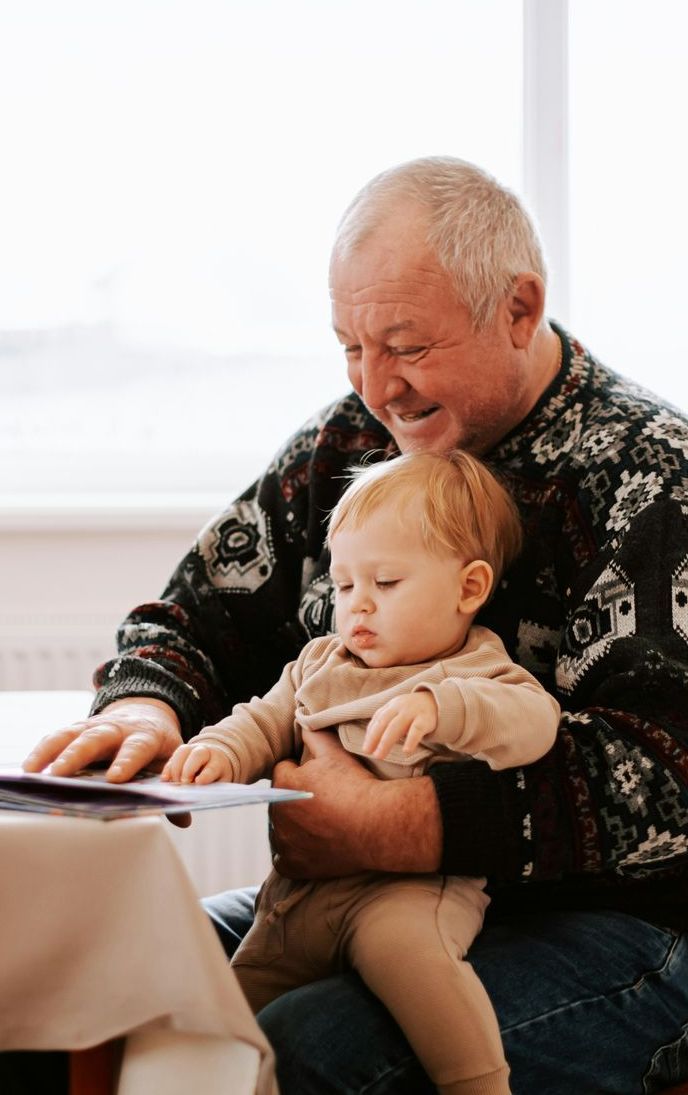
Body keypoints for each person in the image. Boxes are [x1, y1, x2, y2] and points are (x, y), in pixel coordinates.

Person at [24, 156, 688, 1094]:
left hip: (636, 933)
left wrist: (407, 824)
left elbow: (670, 776)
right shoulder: (353, 443)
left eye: (408, 346)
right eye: (350, 346)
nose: (379, 387)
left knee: (301, 1047)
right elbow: (194, 614)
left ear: (519, 308)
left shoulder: (652, 476)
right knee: (96, 986)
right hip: (346, 899)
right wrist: (148, 707)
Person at [162, 450, 560, 1095]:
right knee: (228, 1023)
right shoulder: (322, 661)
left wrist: (442, 707)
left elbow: (534, 723)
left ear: (469, 588)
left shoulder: (476, 670)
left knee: (413, 961)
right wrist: (219, 752)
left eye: (386, 583)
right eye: (345, 587)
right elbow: (264, 720)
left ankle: (480, 1084)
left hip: (410, 891)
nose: (359, 608)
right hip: (299, 900)